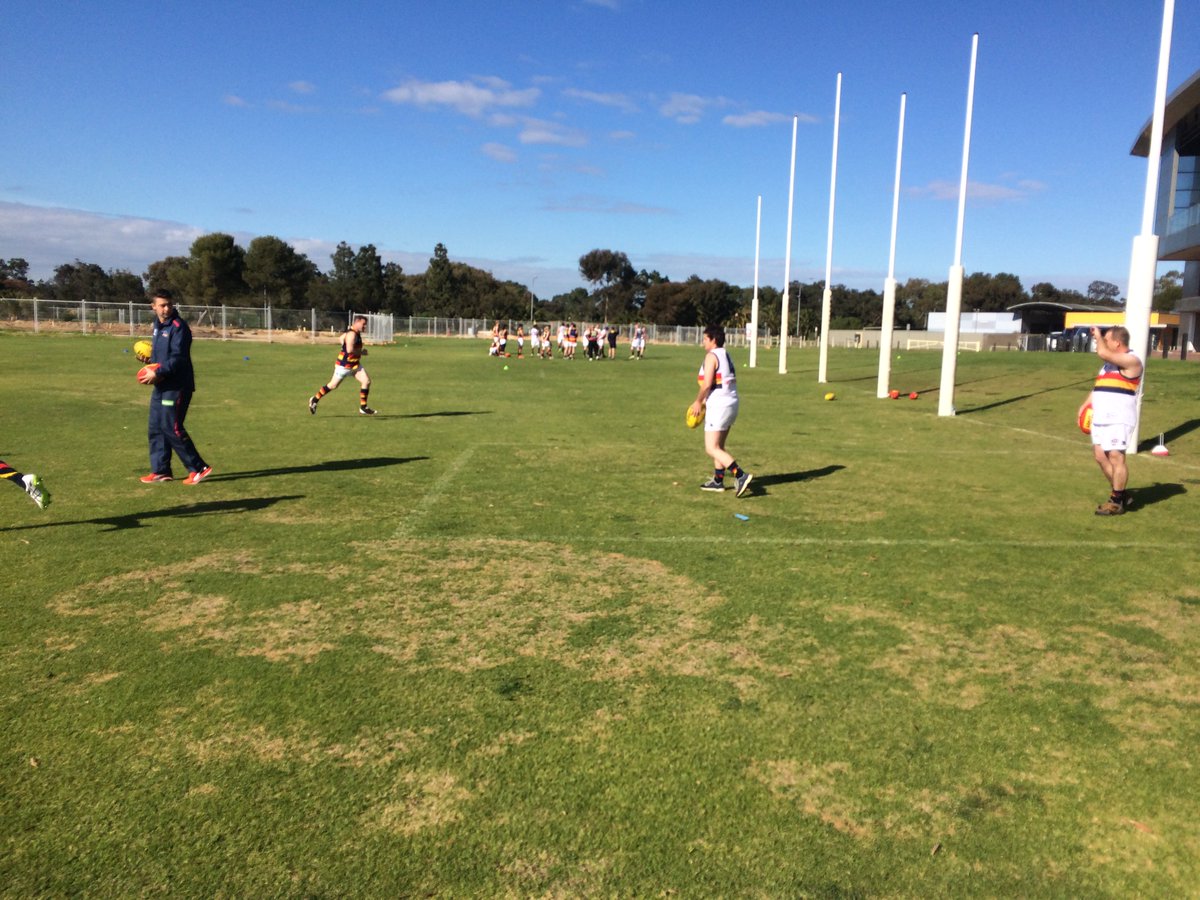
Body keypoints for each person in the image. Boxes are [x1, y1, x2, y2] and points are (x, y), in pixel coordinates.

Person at [138, 289, 213, 483]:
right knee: (156, 426)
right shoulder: (158, 326)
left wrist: (157, 372)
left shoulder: (179, 327)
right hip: (162, 385)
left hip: (177, 386)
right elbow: (162, 356)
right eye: (162, 305)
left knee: (171, 426)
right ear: (153, 307)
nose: (166, 308)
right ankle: (161, 470)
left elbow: (178, 358)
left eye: (169, 304)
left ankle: (199, 468)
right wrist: (150, 361)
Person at [1081, 324, 1142, 516]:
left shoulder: (1132, 361)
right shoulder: (1107, 366)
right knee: (1100, 456)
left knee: (1116, 456)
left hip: (1118, 417)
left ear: (1117, 343)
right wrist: (1085, 406)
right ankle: (1121, 494)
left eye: (1107, 340)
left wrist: (1098, 336)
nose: (1103, 343)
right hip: (1101, 417)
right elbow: (1099, 387)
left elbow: (1102, 353)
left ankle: (1116, 501)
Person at [688, 324, 753, 497]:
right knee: (719, 446)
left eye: (705, 339)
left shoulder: (711, 356)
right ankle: (718, 481)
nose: (703, 342)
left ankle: (740, 475)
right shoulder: (725, 354)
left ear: (713, 340)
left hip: (719, 405)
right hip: (732, 402)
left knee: (711, 448)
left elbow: (707, 383)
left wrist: (698, 401)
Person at [309, 315, 377, 415]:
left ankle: (363, 407)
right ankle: (314, 400)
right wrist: (361, 352)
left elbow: (341, 338)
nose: (365, 326)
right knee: (333, 385)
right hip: (344, 366)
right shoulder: (352, 334)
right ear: (357, 322)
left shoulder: (354, 332)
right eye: (363, 324)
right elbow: (349, 350)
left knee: (366, 381)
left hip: (355, 364)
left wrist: (344, 346)